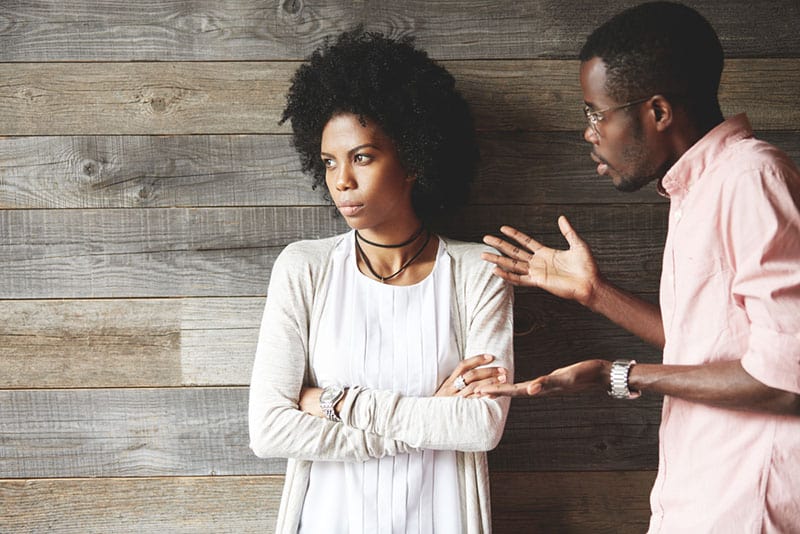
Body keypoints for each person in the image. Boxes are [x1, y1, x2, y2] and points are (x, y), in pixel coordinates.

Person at [478, 2, 800, 532]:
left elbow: (785, 379)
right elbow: (715, 347)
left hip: (746, 508)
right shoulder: (698, 188)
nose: (589, 132)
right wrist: (595, 293)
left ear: (657, 112)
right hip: (701, 496)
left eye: (596, 113)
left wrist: (617, 375)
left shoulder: (751, 180)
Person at [248, 29, 514, 534]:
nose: (341, 180)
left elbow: (481, 426)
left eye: (362, 157)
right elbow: (269, 429)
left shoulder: (478, 270)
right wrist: (424, 424)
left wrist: (335, 403)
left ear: (413, 158)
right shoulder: (304, 268)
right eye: (329, 162)